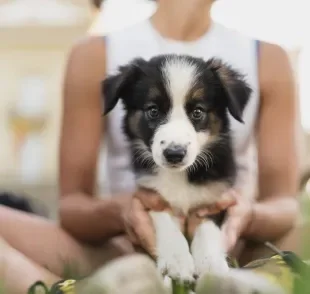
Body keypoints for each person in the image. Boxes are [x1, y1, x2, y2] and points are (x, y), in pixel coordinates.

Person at [0, 0, 300, 293]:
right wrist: (121, 212)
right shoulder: (94, 54)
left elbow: (284, 204)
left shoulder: (267, 58)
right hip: (121, 248)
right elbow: (72, 207)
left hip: (236, 244)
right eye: (154, 112)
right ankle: (57, 288)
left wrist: (245, 216)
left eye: (197, 113)